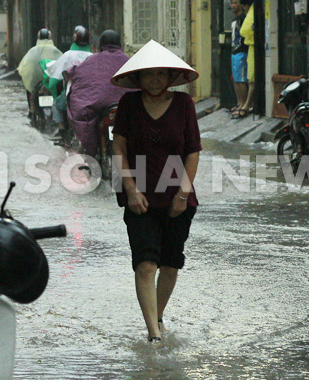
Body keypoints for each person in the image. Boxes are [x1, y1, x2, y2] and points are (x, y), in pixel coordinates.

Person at [110, 39, 202, 343]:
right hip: (140, 200)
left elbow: (192, 152)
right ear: (137, 78)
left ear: (170, 78)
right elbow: (119, 147)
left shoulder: (184, 105)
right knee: (145, 264)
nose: (154, 80)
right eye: (148, 75)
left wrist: (181, 194)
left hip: (177, 199)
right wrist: (131, 189)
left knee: (170, 264)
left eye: (160, 75)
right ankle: (153, 334)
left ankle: (158, 315)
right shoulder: (128, 105)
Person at [63, 30, 133, 158]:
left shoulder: (91, 60)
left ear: (101, 45)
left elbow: (75, 75)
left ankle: (91, 155)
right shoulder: (129, 61)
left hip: (98, 105)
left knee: (86, 123)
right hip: (126, 106)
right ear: (119, 44)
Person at [45, 26, 93, 136]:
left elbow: (55, 72)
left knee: (56, 106)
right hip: (90, 96)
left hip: (72, 96)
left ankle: (62, 130)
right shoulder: (93, 57)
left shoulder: (68, 55)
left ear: (74, 38)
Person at [17, 28, 63, 118]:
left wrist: (20, 68)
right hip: (50, 81)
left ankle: (32, 110)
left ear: (38, 38)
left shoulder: (32, 51)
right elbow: (63, 62)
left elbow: (24, 65)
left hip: (36, 81)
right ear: (50, 38)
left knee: (29, 89)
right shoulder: (55, 50)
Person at [230, 0, 249, 119]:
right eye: (231, 3)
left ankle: (244, 103)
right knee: (235, 79)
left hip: (241, 50)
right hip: (234, 50)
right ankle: (239, 102)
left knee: (241, 79)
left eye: (235, 3)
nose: (233, 5)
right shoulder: (234, 20)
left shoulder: (243, 19)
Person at [238, 0, 255, 115]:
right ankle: (248, 104)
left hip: (254, 48)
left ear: (245, 6)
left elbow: (243, 31)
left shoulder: (252, 12)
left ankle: (247, 104)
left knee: (251, 80)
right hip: (253, 48)